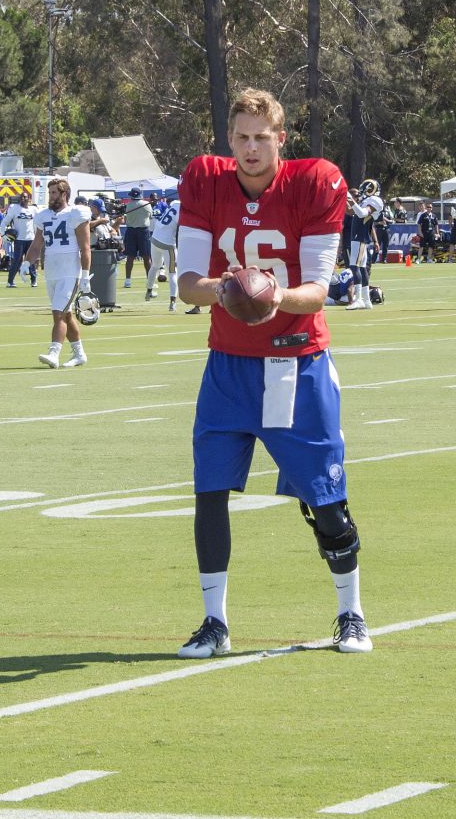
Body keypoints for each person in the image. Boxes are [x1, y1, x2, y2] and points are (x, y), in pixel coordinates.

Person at [176, 87, 371, 659]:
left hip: (294, 363)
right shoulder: (207, 180)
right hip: (229, 366)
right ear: (229, 139)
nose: (251, 147)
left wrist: (271, 292)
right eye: (241, 136)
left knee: (325, 499)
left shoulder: (314, 182)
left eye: (262, 137)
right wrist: (228, 288)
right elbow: (187, 285)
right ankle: (214, 622)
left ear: (281, 140)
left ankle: (351, 612)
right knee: (209, 491)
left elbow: (317, 293)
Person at [24, 178, 92, 369]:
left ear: (64, 194)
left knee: (58, 314)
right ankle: (79, 354)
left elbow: (85, 247)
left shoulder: (76, 213)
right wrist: (26, 263)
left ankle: (54, 352)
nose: (51, 197)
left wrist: (85, 274)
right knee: (67, 315)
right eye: (50, 193)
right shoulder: (43, 215)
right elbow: (37, 245)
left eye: (54, 193)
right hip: (52, 271)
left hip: (70, 271)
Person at [344, 179, 383, 310]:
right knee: (361, 268)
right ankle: (366, 300)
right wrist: (343, 199)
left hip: (360, 236)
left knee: (354, 266)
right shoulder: (366, 201)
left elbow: (361, 213)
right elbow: (351, 212)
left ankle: (359, 299)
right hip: (359, 236)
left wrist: (349, 198)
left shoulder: (375, 201)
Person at [146, 198, 181, 311]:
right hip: (168, 243)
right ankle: (172, 302)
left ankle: (149, 291)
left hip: (155, 238)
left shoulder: (174, 203)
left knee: (155, 266)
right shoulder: (184, 210)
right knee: (172, 272)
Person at [1, 191, 39, 288]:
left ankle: (33, 280)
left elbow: (38, 224)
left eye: (25, 197)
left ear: (28, 199)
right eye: (21, 197)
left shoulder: (33, 209)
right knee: (17, 260)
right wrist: (3, 234)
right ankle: (10, 281)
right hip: (19, 240)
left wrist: (38, 236)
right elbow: (4, 222)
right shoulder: (14, 208)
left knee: (31, 261)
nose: (23, 199)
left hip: (30, 239)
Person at [121, 187, 153, 288]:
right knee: (146, 257)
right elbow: (150, 216)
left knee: (130, 257)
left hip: (130, 231)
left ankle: (127, 281)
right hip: (143, 231)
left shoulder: (128, 205)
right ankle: (150, 281)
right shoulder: (146, 204)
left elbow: (126, 219)